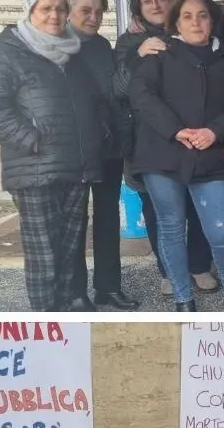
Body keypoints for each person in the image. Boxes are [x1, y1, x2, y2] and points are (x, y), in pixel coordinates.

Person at [129, 0, 224, 311]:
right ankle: (184, 299)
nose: (196, 22)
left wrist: (215, 131)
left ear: (212, 22)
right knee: (171, 227)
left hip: (209, 153)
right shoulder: (160, 54)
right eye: (187, 16)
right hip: (163, 154)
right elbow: (142, 95)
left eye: (202, 16)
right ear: (177, 23)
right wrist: (176, 130)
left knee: (221, 230)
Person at [0, 0, 106, 312]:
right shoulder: (5, 53)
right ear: (30, 12)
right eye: (46, 8)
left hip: (76, 165)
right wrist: (35, 141)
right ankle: (46, 316)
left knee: (71, 246)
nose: (54, 16)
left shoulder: (71, 51)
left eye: (60, 9)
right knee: (44, 253)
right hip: (35, 168)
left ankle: (72, 304)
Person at [114, 0, 221, 297]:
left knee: (197, 207)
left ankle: (199, 266)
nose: (156, 4)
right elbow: (121, 89)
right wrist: (137, 56)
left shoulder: (193, 37)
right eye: (147, 0)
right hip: (150, 141)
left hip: (193, 137)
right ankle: (169, 270)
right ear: (137, 9)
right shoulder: (128, 43)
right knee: (159, 213)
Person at [67, 0, 141, 311]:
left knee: (108, 219)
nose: (95, 17)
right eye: (87, 10)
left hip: (108, 147)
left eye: (99, 12)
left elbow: (115, 89)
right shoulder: (55, 46)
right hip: (74, 150)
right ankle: (75, 293)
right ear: (68, 8)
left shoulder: (100, 45)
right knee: (75, 223)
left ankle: (108, 287)